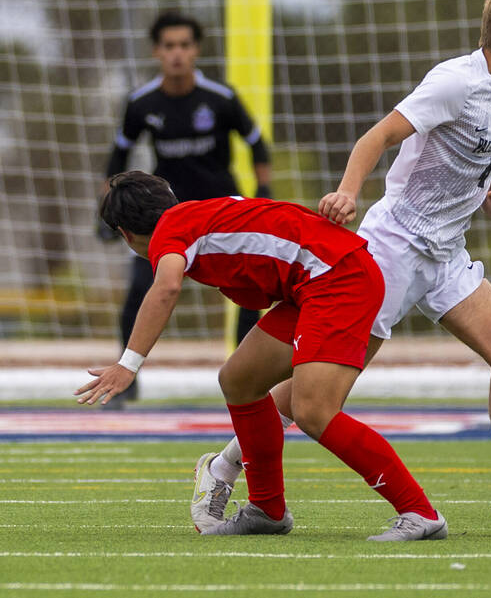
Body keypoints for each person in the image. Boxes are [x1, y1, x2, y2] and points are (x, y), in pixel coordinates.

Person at [190, 0, 491, 537]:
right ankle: (227, 465)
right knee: (316, 395)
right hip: (390, 253)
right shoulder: (454, 81)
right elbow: (375, 138)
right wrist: (349, 193)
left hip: (445, 256)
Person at [79, 171, 447, 542]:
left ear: (125, 234)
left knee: (314, 411)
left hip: (337, 279)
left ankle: (419, 511)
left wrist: (128, 365)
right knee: (239, 380)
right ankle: (267, 509)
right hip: (320, 280)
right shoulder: (194, 216)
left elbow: (167, 286)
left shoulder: (169, 232)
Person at [102, 11, 271, 404]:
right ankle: (129, 385)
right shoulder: (141, 103)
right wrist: (107, 209)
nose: (177, 53)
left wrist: (263, 187)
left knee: (253, 292)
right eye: (169, 46)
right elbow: (117, 157)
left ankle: (247, 376)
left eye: (184, 45)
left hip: (221, 217)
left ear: (195, 50)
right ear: (156, 51)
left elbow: (257, 144)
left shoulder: (221, 98)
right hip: (161, 218)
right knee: (139, 293)